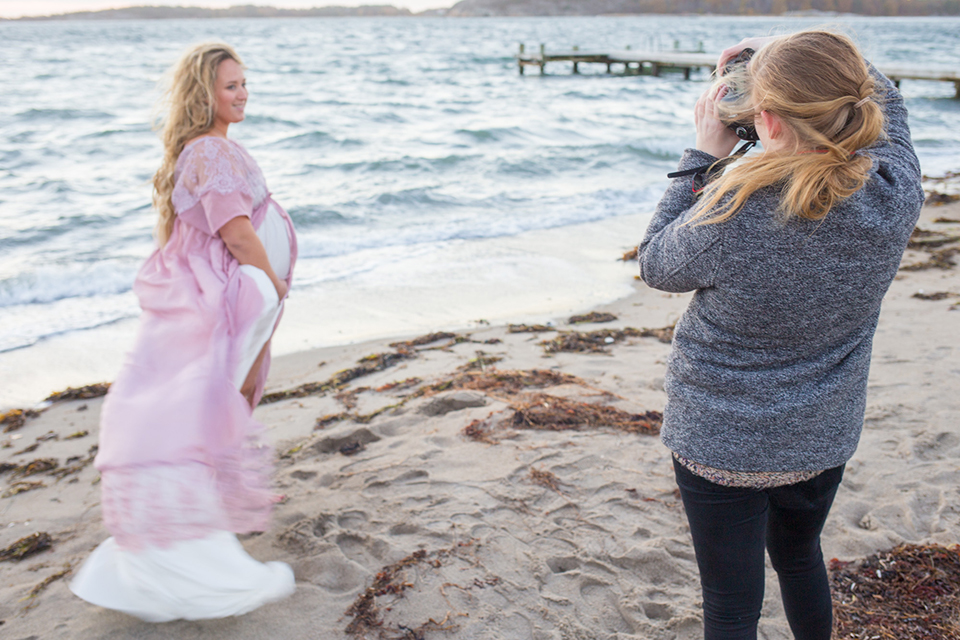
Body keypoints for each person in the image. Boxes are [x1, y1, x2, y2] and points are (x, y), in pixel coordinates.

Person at [637, 31, 923, 639]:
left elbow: (656, 263)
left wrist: (702, 154)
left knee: (731, 603)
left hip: (719, 441)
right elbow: (888, 103)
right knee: (799, 558)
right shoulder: (895, 193)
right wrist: (791, 59)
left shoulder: (732, 210)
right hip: (822, 433)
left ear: (763, 120)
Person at [71, 42, 298, 622]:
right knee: (202, 404)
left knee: (214, 401)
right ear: (205, 94)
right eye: (231, 86)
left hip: (224, 295)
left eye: (245, 83)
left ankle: (201, 520)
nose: (243, 93)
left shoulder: (209, 148)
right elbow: (238, 232)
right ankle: (190, 543)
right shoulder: (210, 153)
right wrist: (274, 287)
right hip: (227, 295)